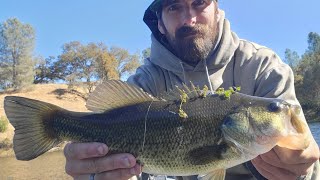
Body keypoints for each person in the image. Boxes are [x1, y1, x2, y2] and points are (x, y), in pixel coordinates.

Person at [63, 0, 320, 179]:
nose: (189, 18)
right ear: (160, 24)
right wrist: (103, 174)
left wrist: (303, 170)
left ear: (218, 11)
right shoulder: (146, 82)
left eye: (200, 2)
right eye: (174, 6)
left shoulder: (264, 67)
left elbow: (304, 159)